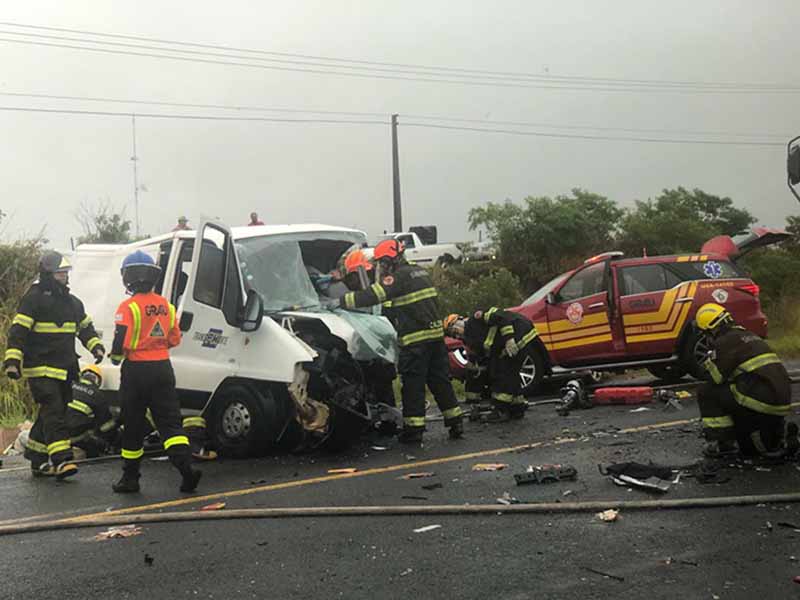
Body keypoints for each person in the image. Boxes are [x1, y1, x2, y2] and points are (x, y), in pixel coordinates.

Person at [339, 239, 463, 443]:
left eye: (383, 263)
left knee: (413, 386)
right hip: (435, 338)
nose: (382, 267)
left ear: (391, 260)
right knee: (440, 382)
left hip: (416, 343)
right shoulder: (420, 272)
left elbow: (374, 295)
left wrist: (341, 301)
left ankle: (414, 431)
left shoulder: (399, 277)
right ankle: (455, 422)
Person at [3, 251, 105, 478]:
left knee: (50, 413)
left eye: (65, 273)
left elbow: (85, 328)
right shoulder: (34, 298)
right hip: (40, 368)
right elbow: (18, 332)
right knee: (54, 410)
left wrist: (96, 346)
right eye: (60, 273)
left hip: (65, 369)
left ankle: (38, 459)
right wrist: (12, 361)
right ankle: (62, 460)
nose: (64, 277)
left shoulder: (72, 303)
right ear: (48, 273)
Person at [109, 250, 201, 493]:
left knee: (134, 424)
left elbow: (120, 340)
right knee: (170, 423)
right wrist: (156, 344)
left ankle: (130, 478)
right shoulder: (166, 306)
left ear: (128, 277)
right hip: (162, 368)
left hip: (136, 371)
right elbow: (174, 339)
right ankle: (185, 468)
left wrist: (117, 358)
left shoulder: (127, 307)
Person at [695, 303, 795, 458]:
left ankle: (723, 443)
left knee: (706, 392)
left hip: (761, 399)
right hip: (780, 400)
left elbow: (715, 378)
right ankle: (775, 437)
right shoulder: (750, 335)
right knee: (735, 393)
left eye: (705, 333)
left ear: (711, 328)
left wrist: (709, 360)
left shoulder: (724, 342)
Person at [444, 307, 539, 422]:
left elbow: (502, 317)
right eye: (453, 336)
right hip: (504, 347)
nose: (457, 336)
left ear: (459, 322)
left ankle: (501, 411)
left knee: (503, 374)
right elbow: (479, 357)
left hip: (519, 333)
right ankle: (517, 407)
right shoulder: (469, 339)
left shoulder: (476, 318)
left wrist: (509, 339)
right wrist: (473, 368)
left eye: (455, 331)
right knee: (508, 373)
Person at [25, 364, 118, 463]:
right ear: (98, 381)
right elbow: (104, 425)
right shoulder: (97, 395)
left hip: (54, 432)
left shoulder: (67, 385)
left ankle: (41, 459)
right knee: (92, 434)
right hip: (73, 436)